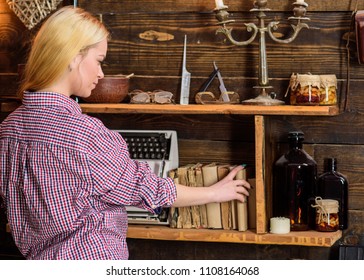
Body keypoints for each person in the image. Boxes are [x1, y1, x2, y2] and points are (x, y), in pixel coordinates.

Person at [0, 6, 251, 260]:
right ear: (74, 57)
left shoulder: (8, 129)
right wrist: (216, 193)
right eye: (98, 61)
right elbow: (146, 188)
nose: (101, 73)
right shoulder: (85, 134)